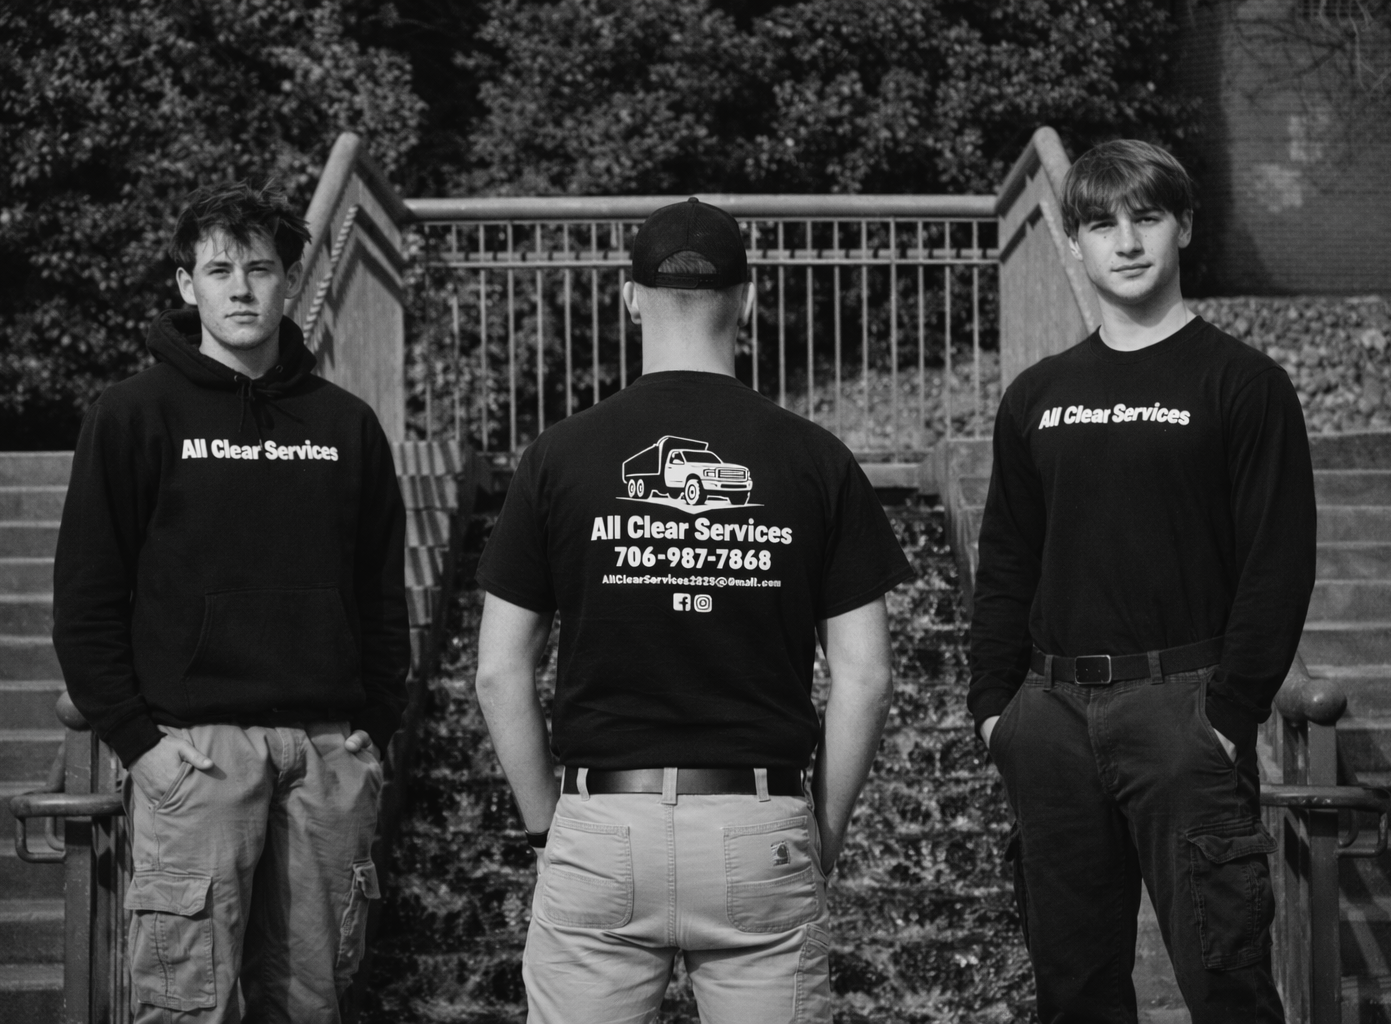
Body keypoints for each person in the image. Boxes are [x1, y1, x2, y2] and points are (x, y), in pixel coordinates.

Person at [473, 198, 914, 1023]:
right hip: (759, 822)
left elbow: (499, 673)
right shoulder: (816, 459)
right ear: (748, 298)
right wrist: (822, 829)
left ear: (628, 298)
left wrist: (548, 831)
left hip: (602, 825)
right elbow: (867, 677)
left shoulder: (558, 457)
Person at [968, 140, 1315, 1022]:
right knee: (1074, 990)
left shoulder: (1242, 384)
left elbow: (1278, 562)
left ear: (1183, 226)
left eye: (1146, 217)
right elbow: (1007, 560)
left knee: (1227, 984)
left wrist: (1231, 717)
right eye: (1100, 223)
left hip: (1182, 714)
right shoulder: (1037, 396)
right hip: (1049, 716)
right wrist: (994, 712)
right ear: (1076, 242)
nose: (1125, 241)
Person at [52, 180, 411, 1023]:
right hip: (196, 759)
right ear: (187, 287)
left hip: (325, 757)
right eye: (219, 271)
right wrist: (141, 747)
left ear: (290, 279)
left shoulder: (346, 424)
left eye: (260, 268)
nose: (241, 288)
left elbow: (379, 592)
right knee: (187, 1006)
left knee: (314, 1003)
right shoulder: (132, 415)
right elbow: (86, 599)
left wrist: (378, 728)